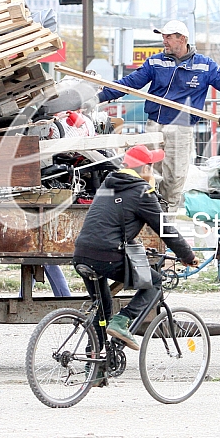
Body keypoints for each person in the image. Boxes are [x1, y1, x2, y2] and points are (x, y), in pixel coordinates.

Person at [96, 19, 220, 211]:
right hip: (154, 125)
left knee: (174, 177)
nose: (164, 41)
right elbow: (129, 83)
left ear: (182, 39)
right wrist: (98, 97)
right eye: (163, 37)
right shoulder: (155, 62)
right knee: (145, 172)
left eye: (168, 37)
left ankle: (167, 218)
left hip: (181, 129)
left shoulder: (205, 66)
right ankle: (146, 212)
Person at [72, 144, 199, 350]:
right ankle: (123, 321)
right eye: (151, 166)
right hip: (107, 256)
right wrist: (187, 255)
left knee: (102, 309)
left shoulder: (108, 185)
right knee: (156, 282)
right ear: (145, 169)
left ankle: (94, 363)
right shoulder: (142, 192)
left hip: (81, 254)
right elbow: (165, 229)